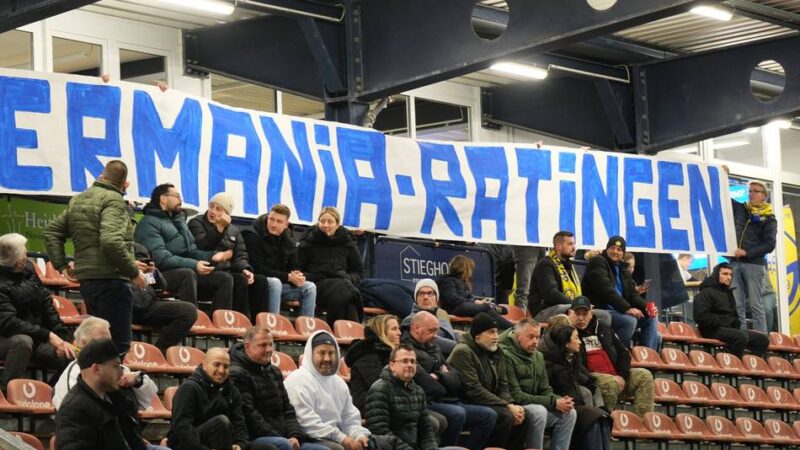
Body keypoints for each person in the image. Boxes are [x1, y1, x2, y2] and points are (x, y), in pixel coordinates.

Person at [43, 160, 146, 353]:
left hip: (88, 280)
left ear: (101, 176)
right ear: (125, 184)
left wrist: (62, 266)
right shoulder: (114, 200)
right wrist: (133, 272)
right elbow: (110, 241)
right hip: (112, 280)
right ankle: (111, 382)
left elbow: (51, 233)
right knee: (118, 343)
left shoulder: (79, 199)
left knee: (96, 343)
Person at [134, 184, 234, 312]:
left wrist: (211, 256)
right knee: (187, 274)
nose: (180, 200)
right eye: (176, 196)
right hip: (157, 274)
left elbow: (191, 251)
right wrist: (194, 264)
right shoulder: (148, 223)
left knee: (225, 278)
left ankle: (221, 326)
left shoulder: (179, 220)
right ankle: (192, 320)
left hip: (184, 269)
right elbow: (161, 258)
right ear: (163, 199)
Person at [229, 325, 329, 450]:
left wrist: (295, 435)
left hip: (283, 438)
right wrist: (281, 438)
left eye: (271, 344)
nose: (269, 349)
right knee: (283, 445)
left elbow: (288, 409)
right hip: (255, 438)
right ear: (247, 346)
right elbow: (250, 416)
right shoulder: (237, 374)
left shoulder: (274, 371)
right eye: (263, 345)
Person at [0, 233, 74, 391]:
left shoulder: (29, 269)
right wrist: (48, 335)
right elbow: (8, 323)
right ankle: (8, 394)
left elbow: (46, 303)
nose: (27, 253)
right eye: (24, 251)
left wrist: (60, 337)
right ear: (18, 261)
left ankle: (47, 392)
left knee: (69, 356)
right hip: (6, 338)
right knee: (22, 341)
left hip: (36, 337)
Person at [447, 313, 531, 450]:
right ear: (477, 335)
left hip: (488, 401)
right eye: (491, 333)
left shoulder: (497, 352)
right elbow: (473, 389)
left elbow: (503, 386)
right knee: (505, 416)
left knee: (523, 415)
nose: (496, 337)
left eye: (497, 332)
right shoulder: (463, 352)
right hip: (466, 400)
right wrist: (507, 406)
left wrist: (511, 404)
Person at [168, 347, 275, 450]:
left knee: (267, 448)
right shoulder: (189, 388)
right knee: (221, 423)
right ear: (204, 365)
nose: (221, 370)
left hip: (225, 443)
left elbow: (239, 424)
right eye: (216, 365)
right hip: (191, 445)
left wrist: (240, 444)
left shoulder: (232, 390)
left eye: (226, 366)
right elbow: (182, 427)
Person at [55, 338, 152, 450]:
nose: (121, 372)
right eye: (115, 366)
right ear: (96, 369)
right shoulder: (73, 410)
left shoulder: (116, 398)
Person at [569, 296, 654, 418]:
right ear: (570, 313)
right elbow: (575, 365)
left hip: (617, 378)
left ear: (591, 313)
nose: (581, 318)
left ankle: (643, 424)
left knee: (644, 376)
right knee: (610, 383)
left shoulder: (604, 328)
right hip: (592, 378)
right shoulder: (569, 333)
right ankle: (606, 425)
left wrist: (622, 376)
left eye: (585, 313)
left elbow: (623, 353)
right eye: (577, 314)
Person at [285, 331, 372, 450]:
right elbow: (306, 422)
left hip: (336, 437)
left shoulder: (339, 382)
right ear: (310, 354)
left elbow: (349, 417)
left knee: (369, 444)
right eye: (321, 353)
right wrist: (342, 438)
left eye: (331, 353)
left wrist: (358, 435)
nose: (327, 358)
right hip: (307, 438)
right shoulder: (297, 380)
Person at [499, 319, 577, 450]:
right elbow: (516, 395)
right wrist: (553, 402)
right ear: (518, 336)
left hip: (535, 404)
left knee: (570, 412)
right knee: (539, 412)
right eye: (530, 337)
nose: (535, 341)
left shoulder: (538, 356)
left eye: (537, 337)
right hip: (516, 407)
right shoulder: (505, 355)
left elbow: (545, 389)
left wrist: (560, 400)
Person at [188, 192, 267, 317]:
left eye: (218, 209)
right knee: (228, 279)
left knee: (258, 280)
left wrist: (245, 268)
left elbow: (240, 255)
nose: (212, 211)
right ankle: (223, 321)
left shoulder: (234, 231)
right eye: (211, 206)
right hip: (204, 271)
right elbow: (202, 246)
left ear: (227, 214)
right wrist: (219, 228)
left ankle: (248, 323)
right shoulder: (196, 223)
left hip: (225, 271)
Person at [53, 317, 157, 412]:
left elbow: (146, 402)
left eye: (108, 341)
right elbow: (70, 413)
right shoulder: (73, 373)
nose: (107, 346)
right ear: (84, 343)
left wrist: (136, 380)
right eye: (101, 341)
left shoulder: (118, 368)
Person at [540, 326, 611, 450]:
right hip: (562, 407)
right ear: (566, 342)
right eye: (576, 338)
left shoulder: (572, 360)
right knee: (592, 419)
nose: (580, 341)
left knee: (603, 417)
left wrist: (590, 382)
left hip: (577, 405)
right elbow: (544, 390)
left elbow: (587, 379)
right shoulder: (549, 362)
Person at [581, 236, 659, 349]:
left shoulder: (623, 268)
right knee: (629, 321)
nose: (615, 251)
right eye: (612, 248)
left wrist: (645, 306)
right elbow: (606, 290)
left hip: (618, 310)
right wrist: (627, 308)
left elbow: (632, 295)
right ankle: (617, 355)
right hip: (601, 310)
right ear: (607, 249)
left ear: (623, 253)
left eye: (619, 249)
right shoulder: (597, 261)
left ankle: (647, 357)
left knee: (651, 317)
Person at [242, 204, 316, 317]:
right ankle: (273, 325)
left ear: (286, 225)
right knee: (275, 283)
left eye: (279, 221)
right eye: (271, 219)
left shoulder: (288, 239)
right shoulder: (253, 236)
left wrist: (297, 276)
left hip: (281, 283)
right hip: (258, 283)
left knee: (310, 287)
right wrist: (288, 277)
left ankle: (306, 330)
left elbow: (294, 264)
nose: (273, 224)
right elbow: (257, 268)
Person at [529, 231, 611, 327]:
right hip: (544, 311)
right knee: (574, 312)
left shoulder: (569, 265)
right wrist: (577, 305)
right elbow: (551, 294)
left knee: (605, 316)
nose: (574, 247)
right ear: (559, 246)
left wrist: (584, 305)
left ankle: (588, 340)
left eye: (574, 244)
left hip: (567, 306)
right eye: (570, 244)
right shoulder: (545, 265)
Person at [364, 344, 438, 450]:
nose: (410, 365)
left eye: (413, 362)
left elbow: (426, 430)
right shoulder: (379, 389)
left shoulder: (418, 391)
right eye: (404, 361)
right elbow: (380, 433)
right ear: (392, 365)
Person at [298, 207, 363, 325]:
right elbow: (298, 270)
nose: (326, 225)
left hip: (343, 285)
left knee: (346, 295)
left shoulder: (348, 244)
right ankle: (352, 333)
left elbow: (357, 272)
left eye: (330, 222)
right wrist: (318, 275)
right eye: (322, 221)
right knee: (346, 290)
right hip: (317, 286)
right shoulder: (307, 243)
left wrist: (347, 278)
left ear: (337, 225)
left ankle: (341, 333)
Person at [131, 242, 197, 353]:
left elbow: (161, 287)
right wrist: (129, 268)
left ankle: (158, 352)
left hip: (148, 304)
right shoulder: (110, 250)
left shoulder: (139, 247)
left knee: (188, 311)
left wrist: (153, 272)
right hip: (125, 305)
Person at [693, 263, 769, 358]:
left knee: (763, 340)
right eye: (725, 274)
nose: (729, 277)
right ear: (716, 274)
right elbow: (700, 317)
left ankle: (750, 365)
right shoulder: (705, 293)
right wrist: (721, 321)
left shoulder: (727, 292)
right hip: (711, 330)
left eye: (730, 274)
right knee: (741, 337)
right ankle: (733, 365)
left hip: (729, 330)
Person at [731, 180, 777, 333]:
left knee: (756, 305)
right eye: (750, 191)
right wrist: (723, 176)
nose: (751, 194)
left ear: (764, 195)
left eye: (756, 191)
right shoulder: (741, 209)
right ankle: (742, 338)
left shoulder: (769, 218)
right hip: (735, 262)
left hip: (754, 264)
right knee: (737, 305)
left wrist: (747, 253)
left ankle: (761, 341)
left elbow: (770, 244)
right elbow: (722, 197)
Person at [436, 255, 512, 329]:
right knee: (478, 307)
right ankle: (496, 312)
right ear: (464, 269)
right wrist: (474, 302)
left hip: (464, 306)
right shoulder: (447, 280)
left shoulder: (462, 282)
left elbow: (468, 296)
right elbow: (452, 299)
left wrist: (476, 300)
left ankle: (508, 325)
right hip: (453, 309)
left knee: (486, 311)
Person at [345, 314, 401, 414]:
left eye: (398, 329)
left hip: (390, 404)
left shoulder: (392, 353)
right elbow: (378, 385)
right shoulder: (366, 355)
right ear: (381, 332)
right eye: (394, 329)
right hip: (370, 407)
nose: (399, 333)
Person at [401, 279, 458, 356]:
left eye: (430, 293)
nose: (425, 297)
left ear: (436, 298)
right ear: (416, 299)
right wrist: (462, 347)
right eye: (421, 293)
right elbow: (433, 340)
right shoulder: (411, 320)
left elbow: (452, 334)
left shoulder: (440, 316)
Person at [510, 245, 545, 312]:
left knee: (539, 289)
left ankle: (533, 316)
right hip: (525, 245)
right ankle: (520, 318)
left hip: (542, 243)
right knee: (524, 290)